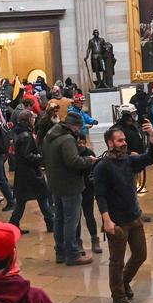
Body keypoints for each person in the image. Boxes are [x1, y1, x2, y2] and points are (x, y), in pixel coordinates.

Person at [92, 123, 153, 303]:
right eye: (120, 140)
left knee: (140, 254)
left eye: (124, 140)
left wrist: (152, 137)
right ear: (110, 143)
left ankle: (124, 281)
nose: (124, 143)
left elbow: (150, 157)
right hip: (116, 221)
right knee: (116, 260)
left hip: (134, 217)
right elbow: (100, 194)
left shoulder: (128, 160)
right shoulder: (102, 166)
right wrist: (106, 219)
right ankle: (118, 297)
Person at [42, 112, 96, 266]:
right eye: (79, 127)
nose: (80, 130)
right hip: (70, 184)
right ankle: (72, 254)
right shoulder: (67, 139)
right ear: (75, 126)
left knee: (59, 218)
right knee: (71, 220)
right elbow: (73, 161)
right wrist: (88, 160)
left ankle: (60, 252)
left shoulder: (50, 134)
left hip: (54, 183)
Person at [8, 110, 54, 234]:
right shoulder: (26, 135)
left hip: (22, 173)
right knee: (43, 197)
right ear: (28, 120)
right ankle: (51, 223)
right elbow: (28, 155)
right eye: (33, 118)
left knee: (21, 201)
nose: (34, 120)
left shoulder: (18, 132)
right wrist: (41, 158)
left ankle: (13, 225)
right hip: (31, 173)